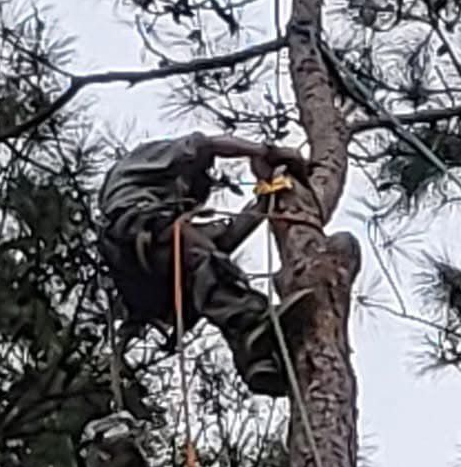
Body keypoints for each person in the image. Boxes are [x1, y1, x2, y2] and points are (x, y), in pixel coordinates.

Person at [97, 131, 311, 397]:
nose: (192, 200)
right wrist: (263, 152)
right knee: (204, 259)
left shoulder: (172, 228)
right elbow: (206, 144)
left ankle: (257, 360)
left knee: (209, 272)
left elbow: (226, 239)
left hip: (146, 273)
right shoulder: (150, 161)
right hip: (133, 232)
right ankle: (252, 325)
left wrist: (268, 196)